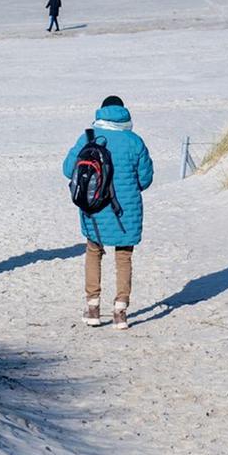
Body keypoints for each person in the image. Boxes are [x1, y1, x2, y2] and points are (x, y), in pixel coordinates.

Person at [63, 95, 152, 329]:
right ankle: (120, 310)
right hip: (126, 210)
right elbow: (145, 178)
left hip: (94, 205)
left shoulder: (88, 138)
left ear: (101, 112)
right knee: (123, 256)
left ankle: (93, 308)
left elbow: (67, 169)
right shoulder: (134, 141)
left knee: (93, 252)